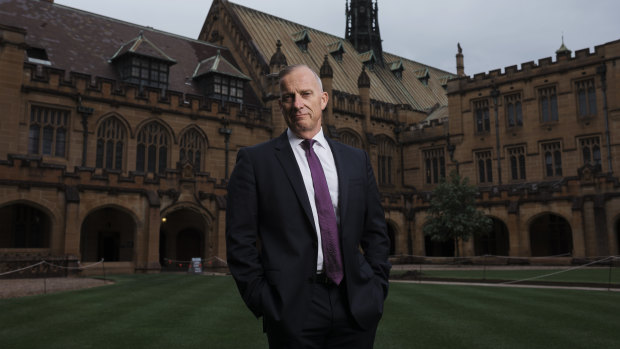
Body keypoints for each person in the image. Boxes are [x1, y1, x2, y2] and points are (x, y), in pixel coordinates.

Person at [226, 64, 391, 349]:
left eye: (305, 94)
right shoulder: (255, 161)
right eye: (289, 97)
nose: (297, 103)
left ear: (323, 99)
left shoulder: (356, 160)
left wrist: (376, 287)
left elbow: (375, 231)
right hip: (292, 307)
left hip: (355, 302)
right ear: (280, 104)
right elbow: (239, 240)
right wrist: (264, 300)